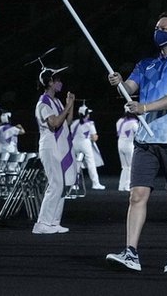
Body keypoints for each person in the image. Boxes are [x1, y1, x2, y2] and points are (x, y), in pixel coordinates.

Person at [106, 12, 167, 274]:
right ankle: (131, 252)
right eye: (156, 27)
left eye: (163, 27)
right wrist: (118, 83)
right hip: (145, 139)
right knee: (137, 195)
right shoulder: (145, 64)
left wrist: (144, 106)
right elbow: (129, 87)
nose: (157, 30)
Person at [32, 64, 76, 234]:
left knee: (63, 184)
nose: (60, 82)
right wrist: (67, 107)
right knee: (56, 183)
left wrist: (69, 104)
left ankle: (54, 222)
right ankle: (42, 223)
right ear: (49, 82)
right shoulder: (43, 103)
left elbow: (67, 122)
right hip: (50, 146)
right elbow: (54, 123)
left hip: (60, 146)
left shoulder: (56, 101)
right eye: (57, 80)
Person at [71, 103, 105, 190]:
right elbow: (94, 137)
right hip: (85, 143)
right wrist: (94, 137)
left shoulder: (74, 123)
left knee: (76, 164)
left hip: (74, 144)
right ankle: (95, 183)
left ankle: (74, 184)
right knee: (91, 163)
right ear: (87, 114)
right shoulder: (90, 124)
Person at [116, 110, 139, 192]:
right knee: (130, 166)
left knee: (124, 167)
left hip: (120, 144)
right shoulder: (133, 123)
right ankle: (128, 185)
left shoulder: (119, 121)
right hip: (129, 145)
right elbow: (138, 134)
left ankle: (121, 186)